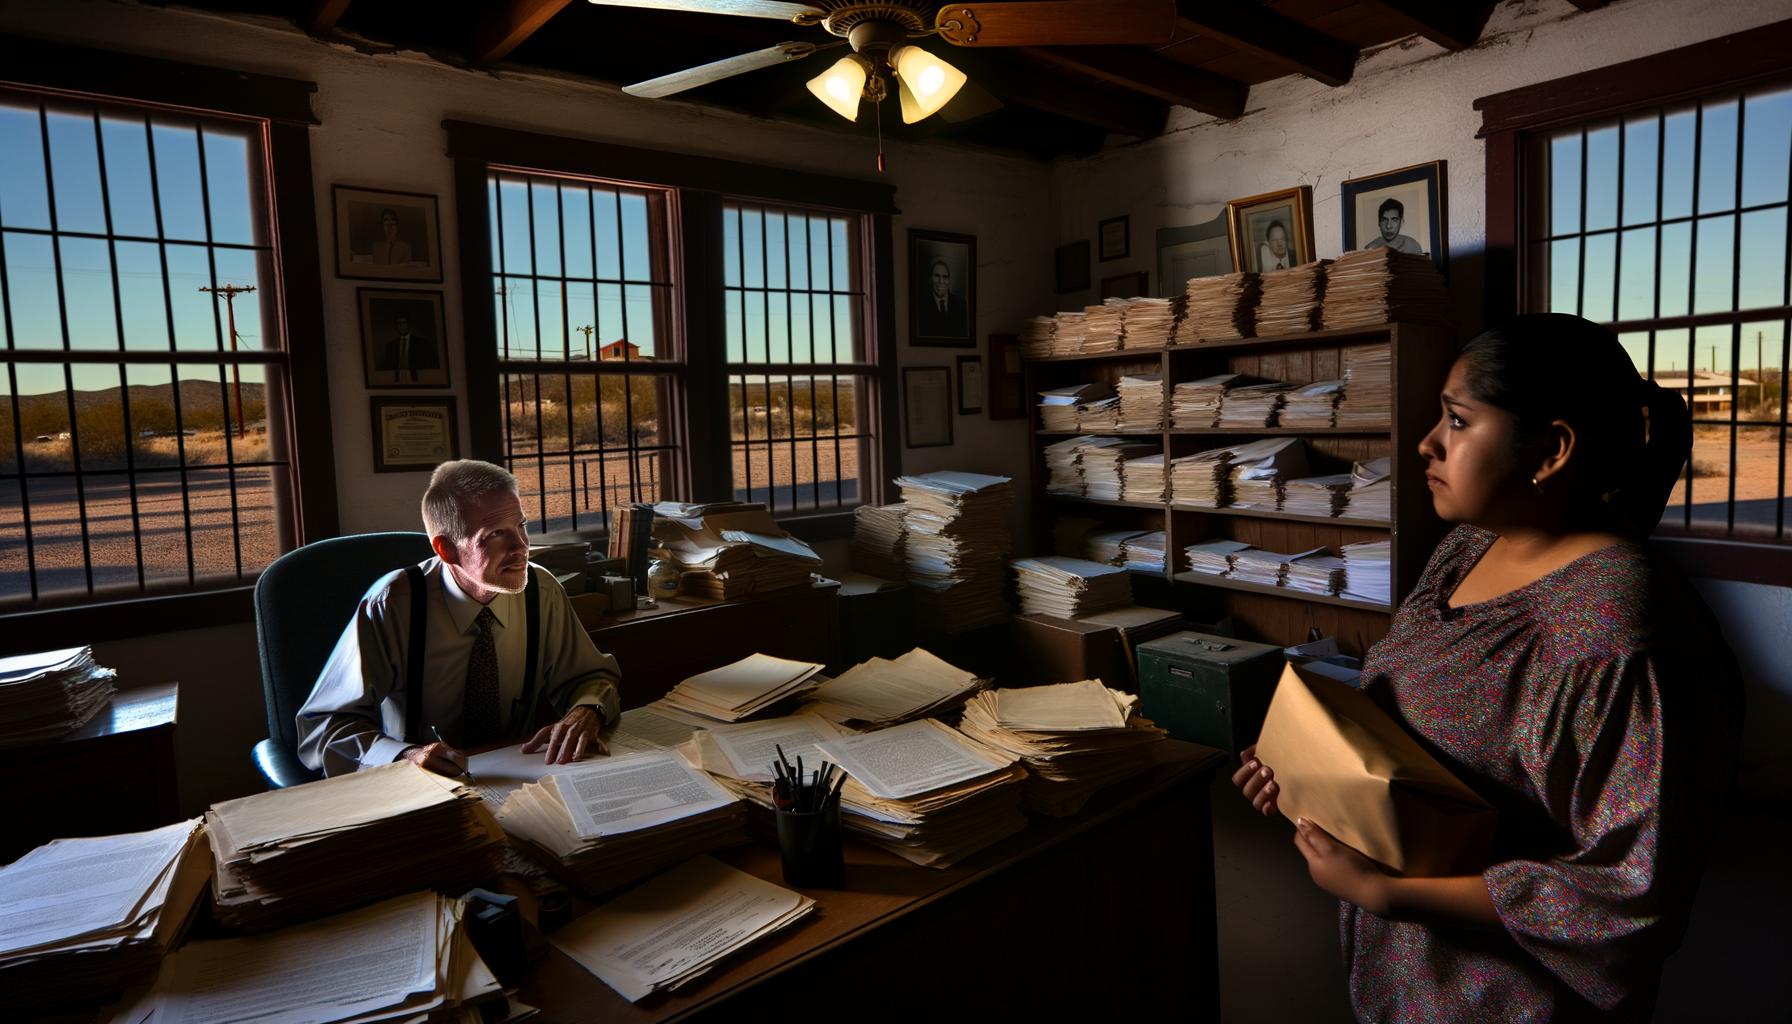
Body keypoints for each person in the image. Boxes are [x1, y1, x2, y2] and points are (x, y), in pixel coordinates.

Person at [1233, 313, 1743, 1022]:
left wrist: (1388, 893)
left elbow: (1630, 894)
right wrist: (1309, 769)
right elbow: (1417, 730)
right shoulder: (1466, 549)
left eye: (1458, 420)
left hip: (1505, 999)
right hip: (1404, 974)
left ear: (1552, 449)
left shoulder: (1611, 633)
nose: (1426, 443)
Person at [298, 460, 622, 778]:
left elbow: (589, 676)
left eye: (521, 526)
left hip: (517, 779)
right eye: (495, 534)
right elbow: (324, 727)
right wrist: (405, 755)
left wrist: (588, 709)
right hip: (418, 787)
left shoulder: (542, 590)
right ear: (446, 549)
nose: (521, 547)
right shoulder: (393, 605)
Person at [375, 314, 439, 384]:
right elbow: (387, 365)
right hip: (396, 380)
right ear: (396, 326)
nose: (401, 326)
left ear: (408, 324)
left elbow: (430, 363)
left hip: (420, 379)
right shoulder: (390, 345)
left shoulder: (422, 343)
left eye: (404, 323)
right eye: (398, 323)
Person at [916, 255, 968, 337]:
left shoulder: (961, 305)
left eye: (945, 277)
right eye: (937, 276)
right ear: (930, 278)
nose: (941, 281)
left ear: (949, 280)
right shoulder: (920, 306)